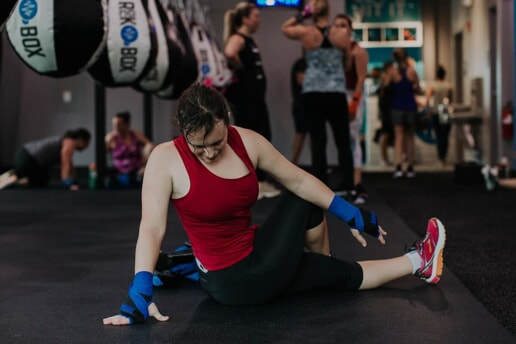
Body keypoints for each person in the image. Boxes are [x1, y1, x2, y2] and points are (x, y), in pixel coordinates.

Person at [102, 83, 446, 326]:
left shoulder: (248, 141)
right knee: (307, 211)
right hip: (234, 280)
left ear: (227, 118)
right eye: (198, 147)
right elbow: (151, 227)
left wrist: (353, 216)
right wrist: (139, 289)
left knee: (310, 205)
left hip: (256, 254)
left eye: (216, 144)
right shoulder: (164, 159)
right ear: (182, 131)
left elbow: (298, 177)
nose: (208, 154)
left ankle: (396, 264)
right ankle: (414, 261)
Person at [281, 1, 356, 198]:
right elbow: (348, 64)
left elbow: (285, 28)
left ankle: (321, 187)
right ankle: (348, 184)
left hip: (312, 92)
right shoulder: (340, 33)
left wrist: (303, 14)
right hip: (335, 92)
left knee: (318, 140)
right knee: (342, 140)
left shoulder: (307, 32)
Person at [223, 1, 281, 200]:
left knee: (263, 138)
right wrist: (240, 68)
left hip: (256, 100)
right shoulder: (238, 38)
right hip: (245, 100)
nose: (259, 20)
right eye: (256, 16)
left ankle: (259, 182)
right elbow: (229, 53)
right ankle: (252, 184)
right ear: (245, 19)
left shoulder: (250, 40)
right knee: (248, 142)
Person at [335, 14, 369, 203]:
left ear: (349, 29)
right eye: (337, 25)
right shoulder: (336, 51)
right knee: (343, 140)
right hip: (338, 95)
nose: (339, 29)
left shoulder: (359, 51)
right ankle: (347, 180)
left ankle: (356, 183)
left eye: (343, 25)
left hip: (352, 95)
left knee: (354, 139)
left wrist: (355, 101)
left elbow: (361, 78)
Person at [0, 128, 91, 190]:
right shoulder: (70, 142)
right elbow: (65, 162)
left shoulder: (66, 141)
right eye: (86, 144)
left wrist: (74, 179)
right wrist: (67, 182)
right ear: (81, 139)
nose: (86, 147)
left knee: (42, 180)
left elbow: (70, 164)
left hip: (28, 158)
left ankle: (16, 179)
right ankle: (12, 176)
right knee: (22, 173)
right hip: (27, 158)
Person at [384, 48, 421, 178]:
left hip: (397, 106)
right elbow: (418, 89)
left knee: (398, 137)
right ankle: (410, 166)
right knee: (410, 136)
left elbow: (384, 86)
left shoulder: (392, 72)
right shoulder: (412, 71)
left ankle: (398, 166)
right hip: (410, 106)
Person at [105, 111, 155, 187]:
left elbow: (151, 145)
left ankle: (145, 173)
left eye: (118, 124)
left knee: (149, 147)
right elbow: (102, 153)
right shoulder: (111, 137)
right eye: (114, 125)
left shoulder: (135, 134)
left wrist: (146, 166)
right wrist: (108, 142)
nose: (115, 127)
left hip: (137, 169)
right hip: (119, 171)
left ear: (126, 124)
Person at [424, 65, 453, 167]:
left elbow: (427, 99)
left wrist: (427, 110)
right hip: (444, 111)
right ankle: (443, 157)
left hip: (436, 111)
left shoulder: (433, 86)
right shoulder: (448, 86)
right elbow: (450, 100)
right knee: (444, 135)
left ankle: (440, 157)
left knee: (438, 135)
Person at [290, 56, 308, 164]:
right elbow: (301, 81)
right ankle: (293, 163)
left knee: (314, 136)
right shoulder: (301, 63)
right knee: (300, 134)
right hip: (301, 105)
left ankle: (317, 164)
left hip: (309, 105)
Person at [378, 61, 395, 166]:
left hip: (391, 110)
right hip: (386, 111)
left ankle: (388, 158)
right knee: (386, 134)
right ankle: (384, 158)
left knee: (390, 134)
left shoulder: (389, 79)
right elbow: (383, 92)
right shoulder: (385, 79)